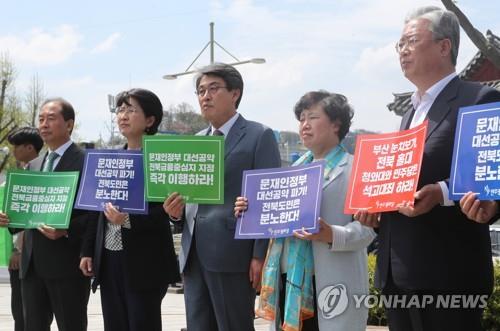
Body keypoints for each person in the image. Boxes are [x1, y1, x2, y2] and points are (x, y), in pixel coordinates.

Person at [355, 6, 500, 331]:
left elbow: (488, 175)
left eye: (410, 41)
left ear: (444, 46)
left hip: (448, 276)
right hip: (397, 274)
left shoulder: (478, 98)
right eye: (399, 45)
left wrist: (442, 193)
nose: (402, 51)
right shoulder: (409, 113)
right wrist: (374, 208)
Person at [235, 91, 376, 331]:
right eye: (301, 119)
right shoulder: (289, 172)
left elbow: (369, 228)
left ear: (336, 124)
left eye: (312, 117)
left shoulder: (356, 168)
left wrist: (331, 233)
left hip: (331, 280)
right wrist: (250, 210)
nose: (304, 125)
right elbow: (275, 221)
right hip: (289, 280)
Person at [163, 63, 281, 331]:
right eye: (200, 91)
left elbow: (266, 199)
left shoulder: (258, 135)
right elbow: (190, 198)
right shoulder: (195, 141)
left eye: (213, 89)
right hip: (193, 255)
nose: (205, 96)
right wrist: (175, 212)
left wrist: (259, 256)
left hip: (233, 255)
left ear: (235, 93)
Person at [80, 88, 180, 331]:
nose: (123, 115)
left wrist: (126, 220)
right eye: (120, 109)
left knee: (141, 323)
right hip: (110, 259)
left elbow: (163, 213)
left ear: (150, 120)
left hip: (145, 261)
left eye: (131, 110)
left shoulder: (160, 160)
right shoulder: (110, 158)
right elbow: (96, 209)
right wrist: (87, 250)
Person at [0, 98, 94, 331]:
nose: (43, 124)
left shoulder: (87, 161)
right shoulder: (34, 164)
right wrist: (9, 217)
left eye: (51, 119)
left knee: (71, 325)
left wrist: (67, 230)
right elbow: (27, 211)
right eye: (41, 119)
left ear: (69, 124)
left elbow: (95, 215)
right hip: (32, 264)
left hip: (67, 263)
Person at [6, 126, 44, 331]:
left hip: (29, 256)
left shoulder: (41, 174)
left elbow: (30, 216)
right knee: (20, 313)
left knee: (29, 315)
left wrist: (18, 250)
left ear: (30, 148)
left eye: (17, 147)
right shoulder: (21, 174)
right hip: (23, 255)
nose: (13, 151)